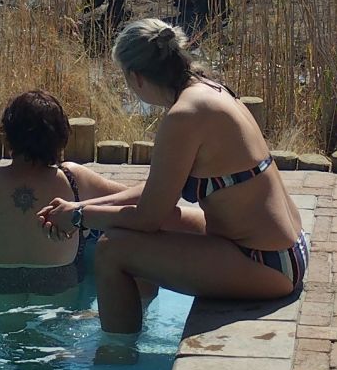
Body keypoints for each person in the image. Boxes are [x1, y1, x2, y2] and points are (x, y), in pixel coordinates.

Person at [38, 18, 307, 333]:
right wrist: (78, 206)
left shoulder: (184, 117)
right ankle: (124, 311)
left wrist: (78, 216)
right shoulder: (208, 89)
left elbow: (147, 218)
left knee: (112, 250)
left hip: (268, 264)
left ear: (136, 78)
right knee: (146, 225)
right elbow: (157, 192)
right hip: (285, 249)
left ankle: (115, 354)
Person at [0, 90, 125, 295]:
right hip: (58, 309)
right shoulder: (75, 180)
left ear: (6, 138)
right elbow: (132, 197)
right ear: (62, 140)